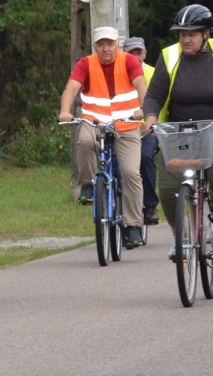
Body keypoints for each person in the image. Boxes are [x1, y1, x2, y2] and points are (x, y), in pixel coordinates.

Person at [141, 5, 213, 259]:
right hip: (180, 133)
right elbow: (154, 95)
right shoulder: (169, 56)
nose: (185, 39)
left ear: (206, 34)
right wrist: (150, 119)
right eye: (181, 34)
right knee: (169, 187)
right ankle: (178, 239)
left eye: (191, 34)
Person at [58, 26, 147, 248]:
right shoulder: (85, 63)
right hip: (95, 120)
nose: (105, 49)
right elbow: (71, 88)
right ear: (95, 46)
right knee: (85, 141)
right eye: (100, 45)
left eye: (109, 44)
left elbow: (141, 85)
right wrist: (65, 111)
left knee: (130, 173)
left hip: (127, 123)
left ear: (117, 44)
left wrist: (144, 109)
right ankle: (87, 185)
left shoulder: (129, 61)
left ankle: (134, 226)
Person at [123, 36, 159, 226]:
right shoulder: (119, 71)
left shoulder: (154, 73)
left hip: (146, 128)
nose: (135, 57)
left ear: (145, 54)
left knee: (145, 157)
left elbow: (161, 100)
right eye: (131, 53)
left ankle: (150, 205)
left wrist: (154, 124)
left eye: (139, 53)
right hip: (122, 127)